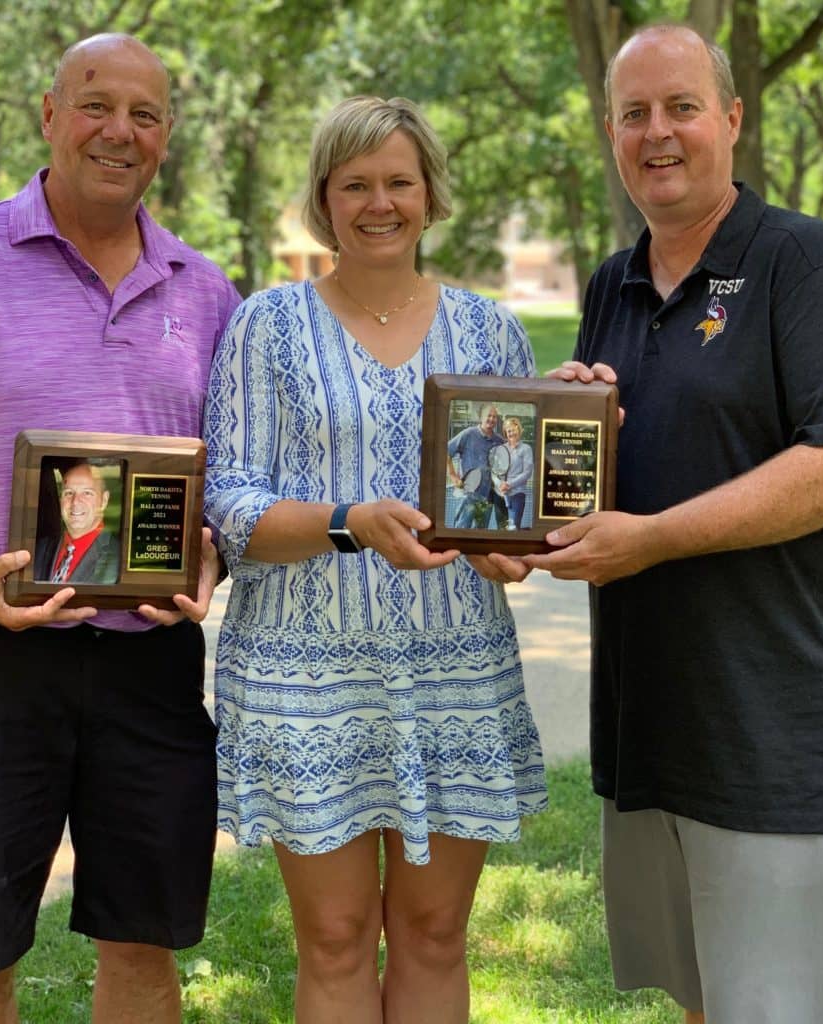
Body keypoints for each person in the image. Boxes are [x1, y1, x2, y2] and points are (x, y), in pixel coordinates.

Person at [513, 22, 823, 1024]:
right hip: (654, 726)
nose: (656, 133)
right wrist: (564, 432)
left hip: (773, 737)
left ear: (732, 120)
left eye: (681, 108)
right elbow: (605, 484)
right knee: (701, 998)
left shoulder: (806, 263)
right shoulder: (610, 285)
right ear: (610, 131)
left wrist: (653, 537)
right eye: (633, 114)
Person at [203, 95, 547, 1024]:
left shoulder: (491, 330)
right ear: (325, 200)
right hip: (305, 677)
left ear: (431, 194)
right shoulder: (266, 326)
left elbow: (509, 504)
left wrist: (508, 550)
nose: (379, 202)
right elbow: (229, 502)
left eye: (400, 180)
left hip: (456, 667)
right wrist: (348, 521)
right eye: (355, 184)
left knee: (436, 935)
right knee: (336, 938)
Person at [0, 34, 239, 1023]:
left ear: (165, 138)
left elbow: (230, 480)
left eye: (145, 115)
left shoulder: (206, 291)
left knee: (142, 944)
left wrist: (211, 554)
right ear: (49, 116)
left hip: (149, 662)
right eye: (96, 105)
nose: (120, 131)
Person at [34, 460, 120, 584]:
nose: (75, 502)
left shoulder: (118, 559)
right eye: (69, 493)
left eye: (87, 493)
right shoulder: (39, 549)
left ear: (104, 500)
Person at [446, 403, 508, 529]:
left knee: (479, 533)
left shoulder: (500, 441)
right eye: (488, 416)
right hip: (468, 494)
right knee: (461, 531)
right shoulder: (468, 434)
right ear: (481, 417)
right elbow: (446, 452)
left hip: (487, 498)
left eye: (494, 417)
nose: (491, 419)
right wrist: (453, 476)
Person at [494, 417, 533, 530]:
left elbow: (527, 472)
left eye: (513, 430)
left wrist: (509, 484)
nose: (511, 433)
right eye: (508, 431)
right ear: (506, 433)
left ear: (519, 430)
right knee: (501, 529)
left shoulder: (526, 449)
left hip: (517, 495)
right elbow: (494, 472)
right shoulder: (500, 449)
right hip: (500, 495)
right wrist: (499, 484)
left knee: (513, 529)